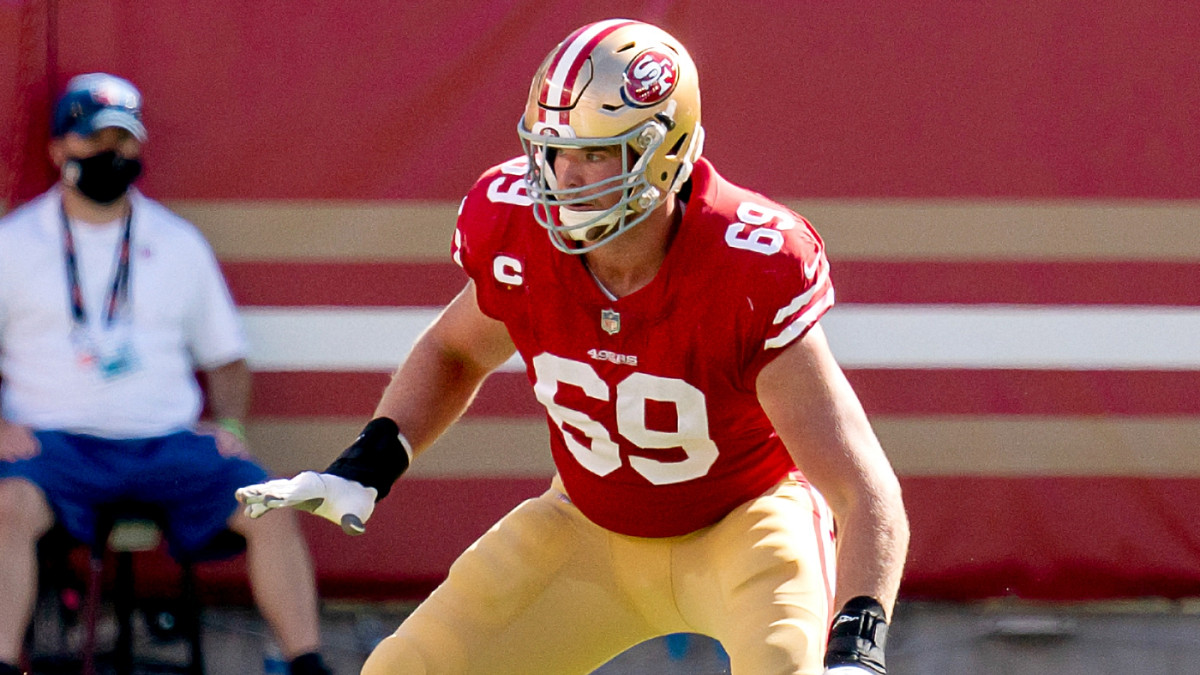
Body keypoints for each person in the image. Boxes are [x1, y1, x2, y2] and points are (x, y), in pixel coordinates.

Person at [238, 18, 908, 675]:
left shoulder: (748, 264)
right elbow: (455, 350)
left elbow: (860, 489)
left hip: (745, 526)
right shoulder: (517, 232)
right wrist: (371, 458)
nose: (565, 175)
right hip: (588, 525)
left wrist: (858, 649)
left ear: (665, 151)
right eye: (554, 149)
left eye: (595, 153)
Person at [0, 73, 332, 675]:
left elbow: (227, 358)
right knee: (7, 507)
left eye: (125, 143)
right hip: (54, 446)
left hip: (166, 443)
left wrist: (229, 421)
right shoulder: (14, 243)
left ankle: (305, 662)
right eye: (96, 141)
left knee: (270, 505)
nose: (113, 156)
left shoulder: (177, 242)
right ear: (58, 150)